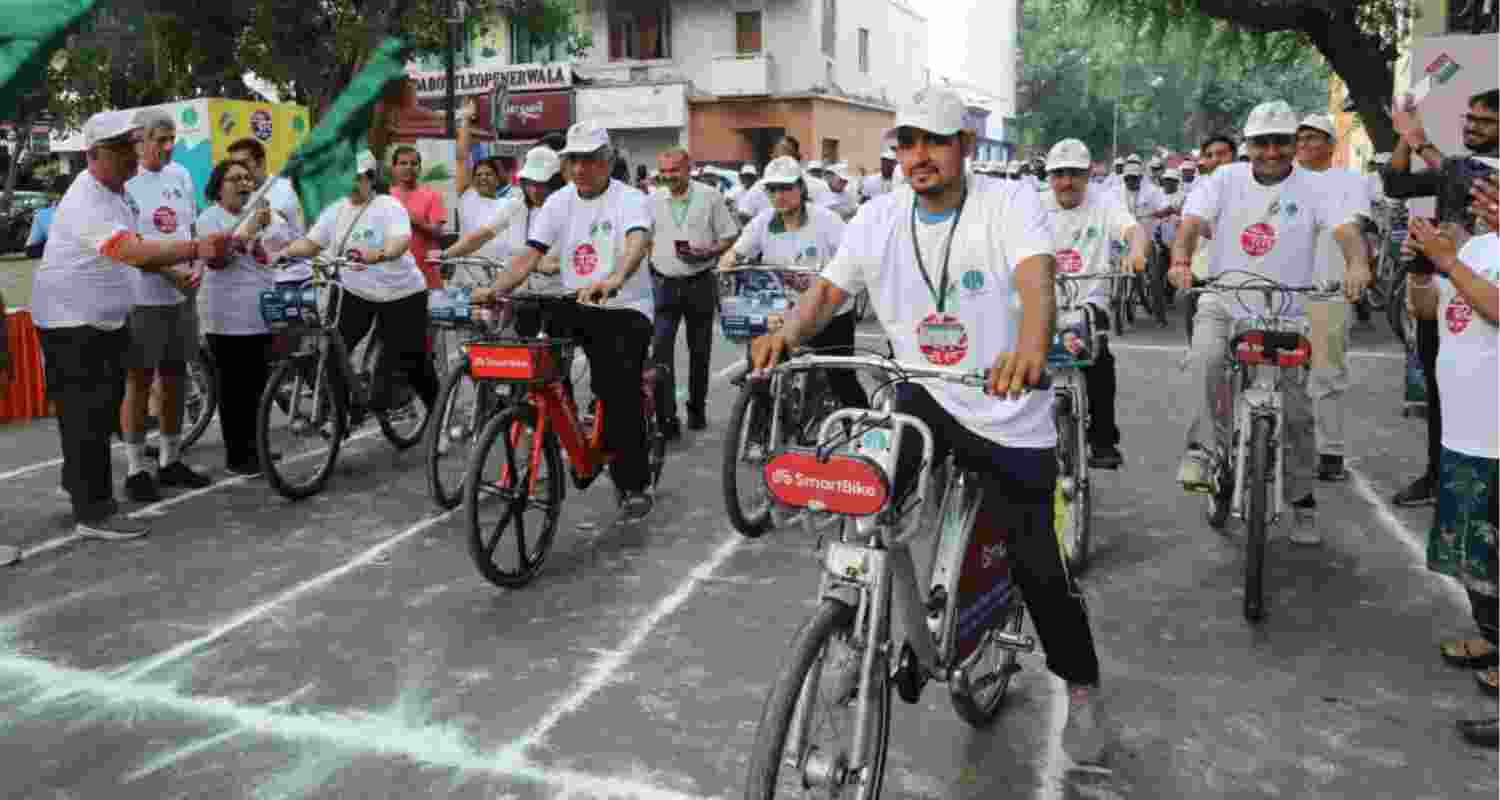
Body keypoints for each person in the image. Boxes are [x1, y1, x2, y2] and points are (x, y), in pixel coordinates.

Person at [748, 88, 1106, 764]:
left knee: (1035, 560)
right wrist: (788, 334)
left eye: (934, 143)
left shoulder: (1008, 203)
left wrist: (1032, 344)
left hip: (1006, 405)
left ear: (964, 147)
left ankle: (1082, 687)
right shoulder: (878, 217)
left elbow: (1037, 277)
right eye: (907, 144)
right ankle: (856, 630)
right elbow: (828, 291)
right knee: (861, 493)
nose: (919, 157)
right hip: (923, 395)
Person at [1168, 100, 1371, 546]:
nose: (1272, 152)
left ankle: (1301, 500)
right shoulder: (1224, 179)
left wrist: (1357, 264)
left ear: (1293, 145)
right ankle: (1203, 450)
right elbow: (1191, 222)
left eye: (1280, 142)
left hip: (1287, 308)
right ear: (1249, 145)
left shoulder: (1316, 187)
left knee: (1297, 410)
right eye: (1262, 143)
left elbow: (1347, 233)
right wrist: (1181, 259)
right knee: (1203, 359)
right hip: (1225, 297)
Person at [29, 110, 232, 542]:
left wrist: (179, 266)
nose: (131, 155)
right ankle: (95, 510)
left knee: (97, 413)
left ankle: (82, 488)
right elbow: (132, 252)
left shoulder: (117, 192)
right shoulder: (88, 199)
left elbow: (140, 249)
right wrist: (196, 247)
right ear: (93, 155)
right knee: (87, 416)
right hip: (73, 324)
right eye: (121, 148)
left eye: (131, 145)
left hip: (100, 321)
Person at [468, 121, 658, 520]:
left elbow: (636, 243)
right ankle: (568, 433)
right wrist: (497, 288)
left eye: (589, 160)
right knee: (538, 361)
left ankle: (634, 481)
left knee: (616, 390)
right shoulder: (559, 202)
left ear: (607, 161)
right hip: (575, 300)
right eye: (573, 161)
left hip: (625, 306)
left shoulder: (630, 199)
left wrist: (615, 278)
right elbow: (530, 254)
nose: (580, 169)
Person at [1405, 170, 1499, 749]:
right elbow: (1426, 311)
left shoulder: (1464, 257)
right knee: (1472, 552)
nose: (1483, 200)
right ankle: (1492, 638)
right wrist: (1421, 265)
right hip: (1464, 432)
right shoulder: (1476, 248)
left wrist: (1447, 262)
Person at [1381, 88, 1499, 507]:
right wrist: (1404, 137)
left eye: (1484, 121)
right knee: (1441, 387)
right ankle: (1438, 477)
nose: (1470, 126)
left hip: (1492, 297)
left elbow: (1460, 173)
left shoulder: (1463, 170)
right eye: (1469, 117)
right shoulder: (1455, 168)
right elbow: (1396, 183)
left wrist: (1417, 138)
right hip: (1445, 297)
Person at [278, 149, 438, 426]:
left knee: (412, 360)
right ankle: (343, 417)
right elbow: (311, 244)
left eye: (357, 178)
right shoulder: (335, 210)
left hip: (401, 294)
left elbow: (400, 242)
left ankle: (439, 414)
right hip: (356, 293)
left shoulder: (389, 207)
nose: (350, 184)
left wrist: (380, 254)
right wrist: (283, 253)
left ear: (370, 179)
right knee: (332, 352)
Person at [720, 155, 866, 412]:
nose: (780, 195)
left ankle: (861, 436)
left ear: (801, 187)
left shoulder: (827, 220)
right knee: (760, 365)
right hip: (780, 308)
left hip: (826, 311)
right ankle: (760, 426)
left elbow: (851, 256)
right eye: (773, 189)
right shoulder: (763, 222)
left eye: (786, 187)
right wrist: (728, 262)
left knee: (841, 378)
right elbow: (737, 251)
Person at [121, 108, 212, 502]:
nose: (168, 146)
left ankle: (171, 459)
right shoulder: (126, 183)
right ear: (139, 139)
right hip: (143, 297)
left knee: (175, 375)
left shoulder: (181, 175)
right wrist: (171, 273)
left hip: (182, 296)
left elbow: (191, 231)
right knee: (139, 380)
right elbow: (133, 247)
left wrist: (197, 268)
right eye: (160, 139)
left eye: (172, 137)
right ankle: (136, 467)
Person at [1041, 138, 1150, 469]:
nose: (1066, 182)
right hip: (1041, 302)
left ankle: (1103, 439)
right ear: (1049, 177)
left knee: (1099, 359)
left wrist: (1137, 251)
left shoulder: (1106, 204)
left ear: (1088, 175)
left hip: (1090, 303)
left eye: (1074, 173)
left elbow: (1133, 230)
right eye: (1059, 174)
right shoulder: (1031, 206)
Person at [195, 159, 297, 475]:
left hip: (260, 314)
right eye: (234, 179)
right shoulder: (209, 219)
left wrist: (270, 226)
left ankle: (257, 448)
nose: (243, 184)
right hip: (226, 317)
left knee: (257, 387)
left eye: (247, 179)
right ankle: (238, 456)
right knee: (232, 389)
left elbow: (279, 251)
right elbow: (217, 261)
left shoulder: (263, 215)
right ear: (218, 187)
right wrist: (249, 229)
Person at [1297, 112, 1374, 484]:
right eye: (1300, 138)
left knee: (1327, 375)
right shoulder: (1283, 180)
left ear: (1331, 145)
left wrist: (1357, 266)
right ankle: (1277, 444)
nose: (1304, 145)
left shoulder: (1349, 182)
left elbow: (1354, 227)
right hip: (1282, 294)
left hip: (1327, 291)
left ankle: (1330, 451)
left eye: (1314, 138)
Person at [646, 148, 739, 439]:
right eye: (664, 170)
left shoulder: (710, 196)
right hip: (663, 285)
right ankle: (666, 418)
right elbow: (643, 238)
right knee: (661, 352)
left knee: (700, 351)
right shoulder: (652, 199)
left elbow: (728, 236)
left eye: (675, 170)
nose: (669, 176)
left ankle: (697, 410)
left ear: (690, 169)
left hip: (700, 282)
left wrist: (707, 252)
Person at [453, 100, 512, 263]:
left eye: (488, 174)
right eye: (478, 175)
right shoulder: (467, 197)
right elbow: (461, 158)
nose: (483, 178)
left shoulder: (508, 205)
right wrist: (465, 119)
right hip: (468, 276)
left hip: (499, 277)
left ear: (498, 178)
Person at [735, 135, 836, 223]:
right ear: (772, 157)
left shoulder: (819, 186)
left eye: (786, 152)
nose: (778, 196)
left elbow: (830, 217)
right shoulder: (759, 187)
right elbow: (744, 213)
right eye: (772, 189)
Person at [389, 145, 448, 289]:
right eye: (403, 163)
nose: (409, 167)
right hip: (391, 274)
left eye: (414, 163)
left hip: (424, 273)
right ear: (394, 168)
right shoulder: (385, 196)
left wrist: (414, 220)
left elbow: (438, 232)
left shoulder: (433, 196)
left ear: (419, 168)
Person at [227, 137, 304, 236]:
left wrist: (272, 223)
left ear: (260, 162)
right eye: (232, 165)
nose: (236, 170)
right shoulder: (232, 197)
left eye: (242, 164)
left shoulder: (286, 189)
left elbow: (300, 236)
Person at [24, 173, 73, 259]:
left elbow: (30, 249)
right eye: (61, 192)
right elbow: (30, 249)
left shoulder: (42, 215)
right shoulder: (43, 215)